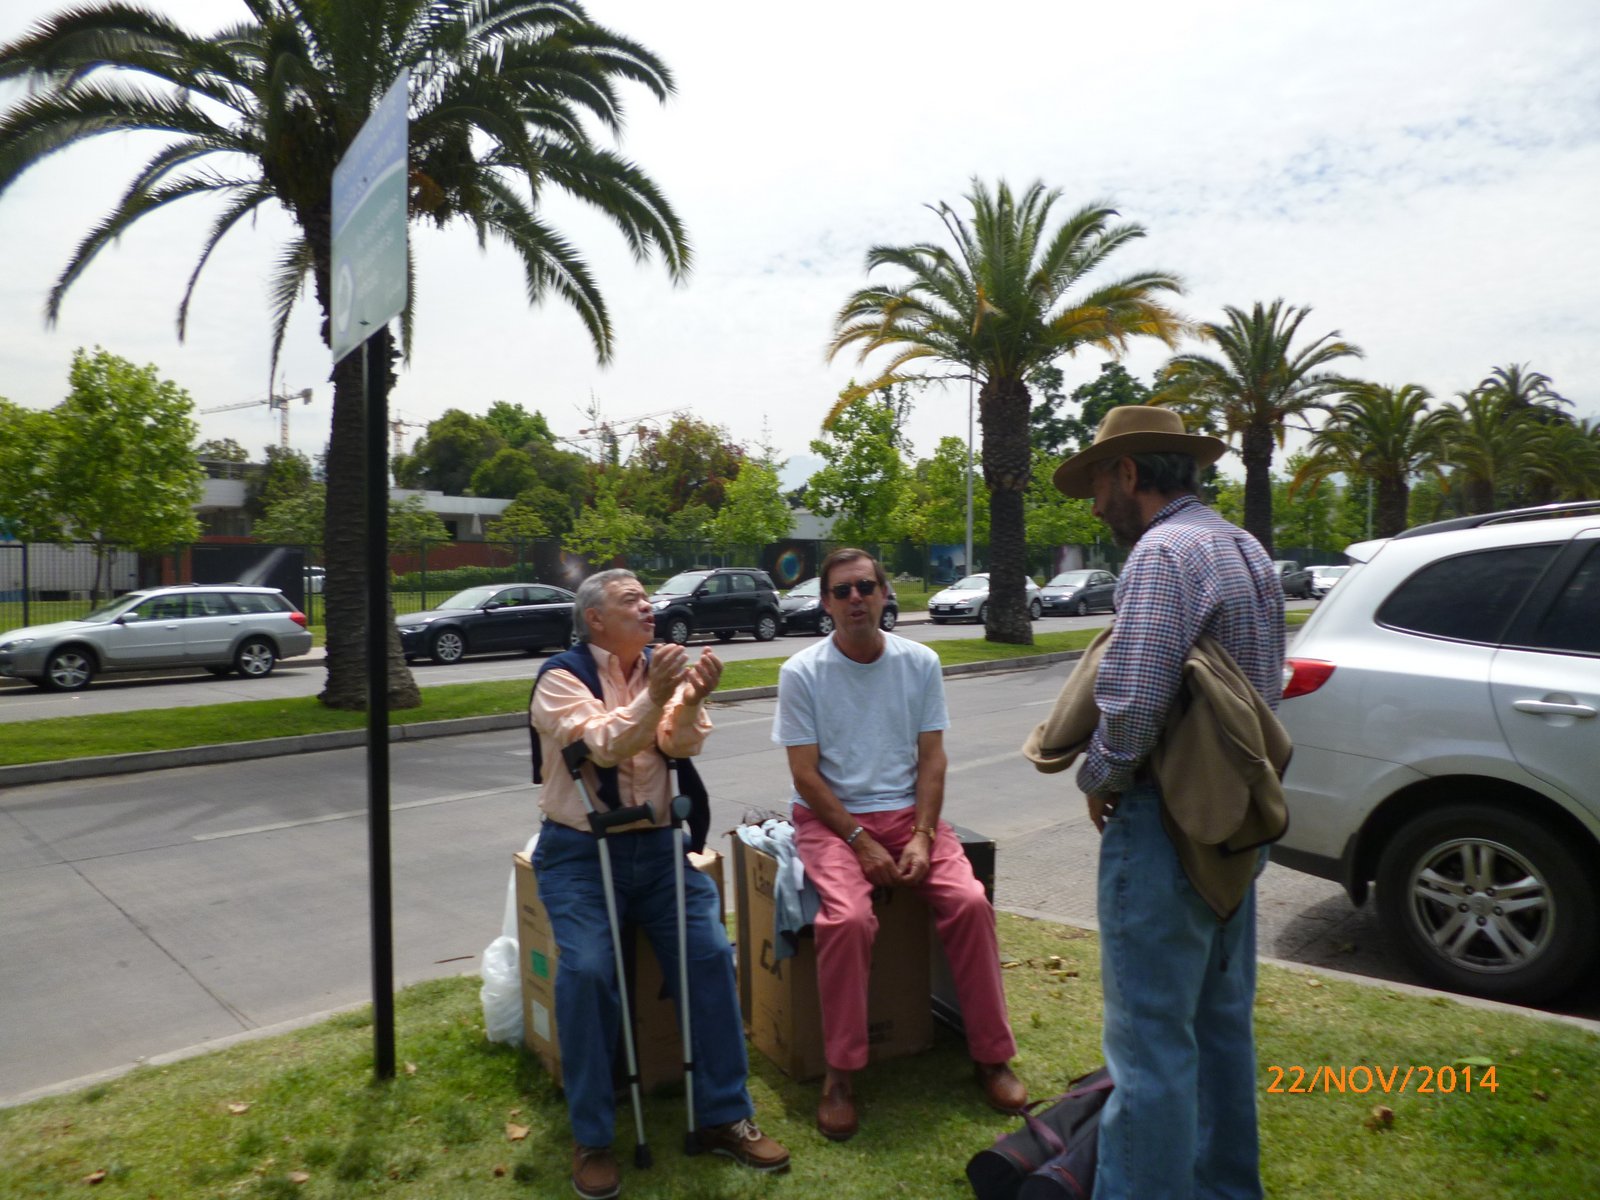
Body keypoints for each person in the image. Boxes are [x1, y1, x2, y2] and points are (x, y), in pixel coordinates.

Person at [1050, 405, 1285, 1200]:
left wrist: (1099, 780)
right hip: (1237, 824)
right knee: (1221, 1028)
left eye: (1097, 485)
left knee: (1149, 1048)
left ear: (1127, 473)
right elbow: (1267, 691)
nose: (1094, 507)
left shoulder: (1161, 553)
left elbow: (1133, 705)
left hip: (1167, 827)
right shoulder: (1244, 547)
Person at [530, 568, 789, 1199]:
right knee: (587, 971)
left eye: (648, 599)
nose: (649, 608)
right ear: (595, 618)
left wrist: (691, 699)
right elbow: (605, 745)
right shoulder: (559, 678)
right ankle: (593, 1134)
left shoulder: (658, 669)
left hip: (659, 847)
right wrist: (659, 695)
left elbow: (679, 744)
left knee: (711, 955)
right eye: (632, 601)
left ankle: (725, 1113)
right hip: (580, 855)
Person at [774, 548, 1025, 1142]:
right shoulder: (802, 672)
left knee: (969, 902)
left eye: (865, 586)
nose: (855, 599)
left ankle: (991, 1055)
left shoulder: (920, 663)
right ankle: (840, 1073)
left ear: (885, 594)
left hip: (909, 815)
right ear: (826, 604)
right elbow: (805, 776)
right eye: (842, 591)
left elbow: (932, 760)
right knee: (847, 920)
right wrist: (860, 841)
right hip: (832, 821)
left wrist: (921, 835)